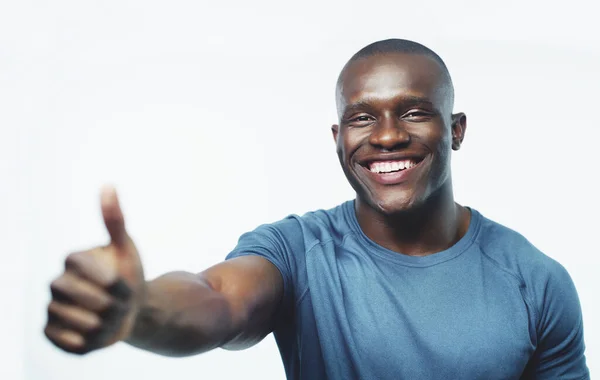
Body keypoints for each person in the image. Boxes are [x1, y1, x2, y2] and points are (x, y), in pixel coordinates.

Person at [44, 39, 590, 379]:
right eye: (362, 118)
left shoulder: (534, 280)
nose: (389, 136)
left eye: (415, 112)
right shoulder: (299, 251)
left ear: (456, 129)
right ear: (338, 137)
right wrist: (138, 311)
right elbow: (217, 302)